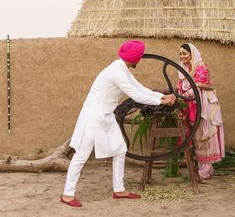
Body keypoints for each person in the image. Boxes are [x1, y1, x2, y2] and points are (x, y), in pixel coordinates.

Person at [61, 40, 176, 207]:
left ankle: (119, 189)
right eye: (140, 56)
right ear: (135, 58)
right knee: (81, 155)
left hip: (105, 116)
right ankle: (67, 194)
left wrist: (162, 97)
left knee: (120, 149)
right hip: (93, 117)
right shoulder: (117, 72)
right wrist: (161, 101)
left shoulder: (122, 68)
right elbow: (136, 96)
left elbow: (140, 87)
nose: (140, 59)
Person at [178, 43, 225, 180]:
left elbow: (197, 87)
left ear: (191, 54)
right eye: (180, 54)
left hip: (205, 104)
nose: (182, 57)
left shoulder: (201, 66)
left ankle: (206, 170)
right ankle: (203, 169)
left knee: (206, 134)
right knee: (197, 136)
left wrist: (184, 95)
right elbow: (182, 86)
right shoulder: (185, 69)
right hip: (194, 104)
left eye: (184, 53)